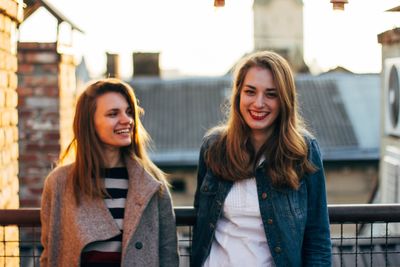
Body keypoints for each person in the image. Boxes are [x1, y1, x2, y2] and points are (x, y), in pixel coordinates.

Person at [192, 51, 332, 267]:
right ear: (238, 94)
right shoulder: (213, 147)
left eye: (271, 94)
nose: (259, 103)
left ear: (284, 99)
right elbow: (201, 223)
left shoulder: (304, 151)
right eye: (250, 91)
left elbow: (318, 241)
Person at [40, 78, 179, 267]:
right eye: (113, 114)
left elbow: (168, 255)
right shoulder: (60, 183)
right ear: (90, 123)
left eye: (129, 112)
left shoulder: (152, 184)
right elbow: (50, 253)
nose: (127, 120)